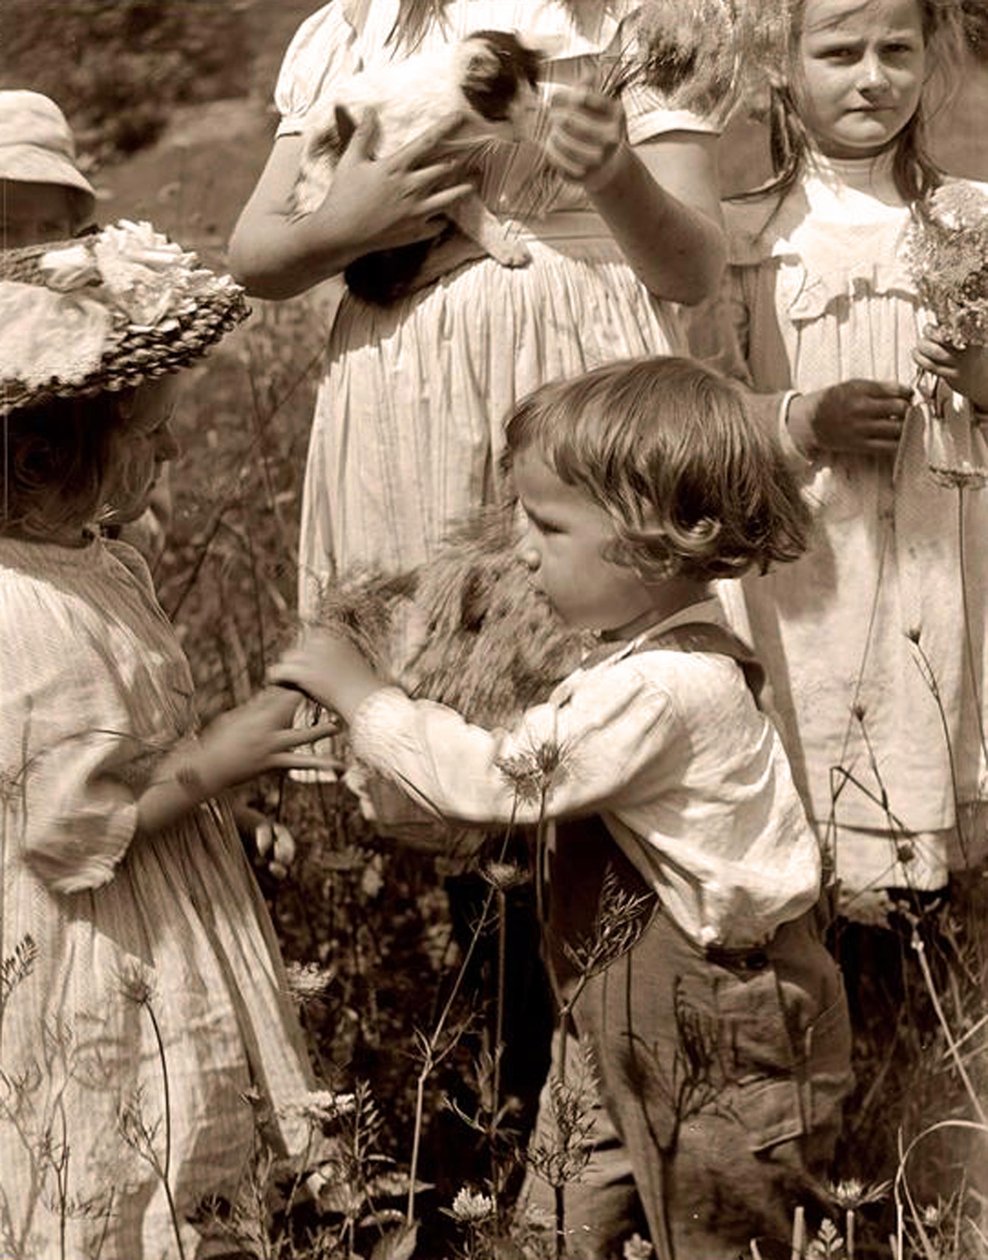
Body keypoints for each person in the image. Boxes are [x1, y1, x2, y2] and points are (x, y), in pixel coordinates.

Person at [270, 357, 854, 1260]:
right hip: (615, 1011)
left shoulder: (665, 687)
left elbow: (501, 780)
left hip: (717, 1028)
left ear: (671, 536)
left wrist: (367, 700)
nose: (522, 548)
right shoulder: (628, 665)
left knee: (724, 1234)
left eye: (546, 524)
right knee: (559, 1223)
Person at [0, 223, 338, 1258]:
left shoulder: (97, 561)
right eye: (150, 436)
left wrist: (214, 775)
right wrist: (213, 763)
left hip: (165, 889)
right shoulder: (17, 610)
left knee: (197, 1143)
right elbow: (69, 829)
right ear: (46, 451)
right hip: (90, 933)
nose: (174, 451)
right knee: (117, 1133)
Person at [227, 0, 726, 599]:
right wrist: (337, 230)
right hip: (409, 376)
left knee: (603, 625)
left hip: (587, 380)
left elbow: (694, 273)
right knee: (421, 617)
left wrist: (616, 177)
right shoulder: (358, 26)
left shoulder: (648, 18)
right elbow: (253, 258)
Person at [687, 0, 988, 917]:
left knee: (934, 718)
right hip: (809, 559)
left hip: (949, 549)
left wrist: (980, 372)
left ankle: (934, 992)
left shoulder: (969, 215)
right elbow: (700, 407)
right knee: (819, 737)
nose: (873, 75)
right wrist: (804, 417)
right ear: (781, 65)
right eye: (840, 51)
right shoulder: (739, 237)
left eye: (896, 50)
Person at [0, 87, 174, 569]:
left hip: (80, 561)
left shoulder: (99, 342)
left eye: (50, 228)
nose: (25, 251)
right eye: (2, 229)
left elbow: (143, 497)